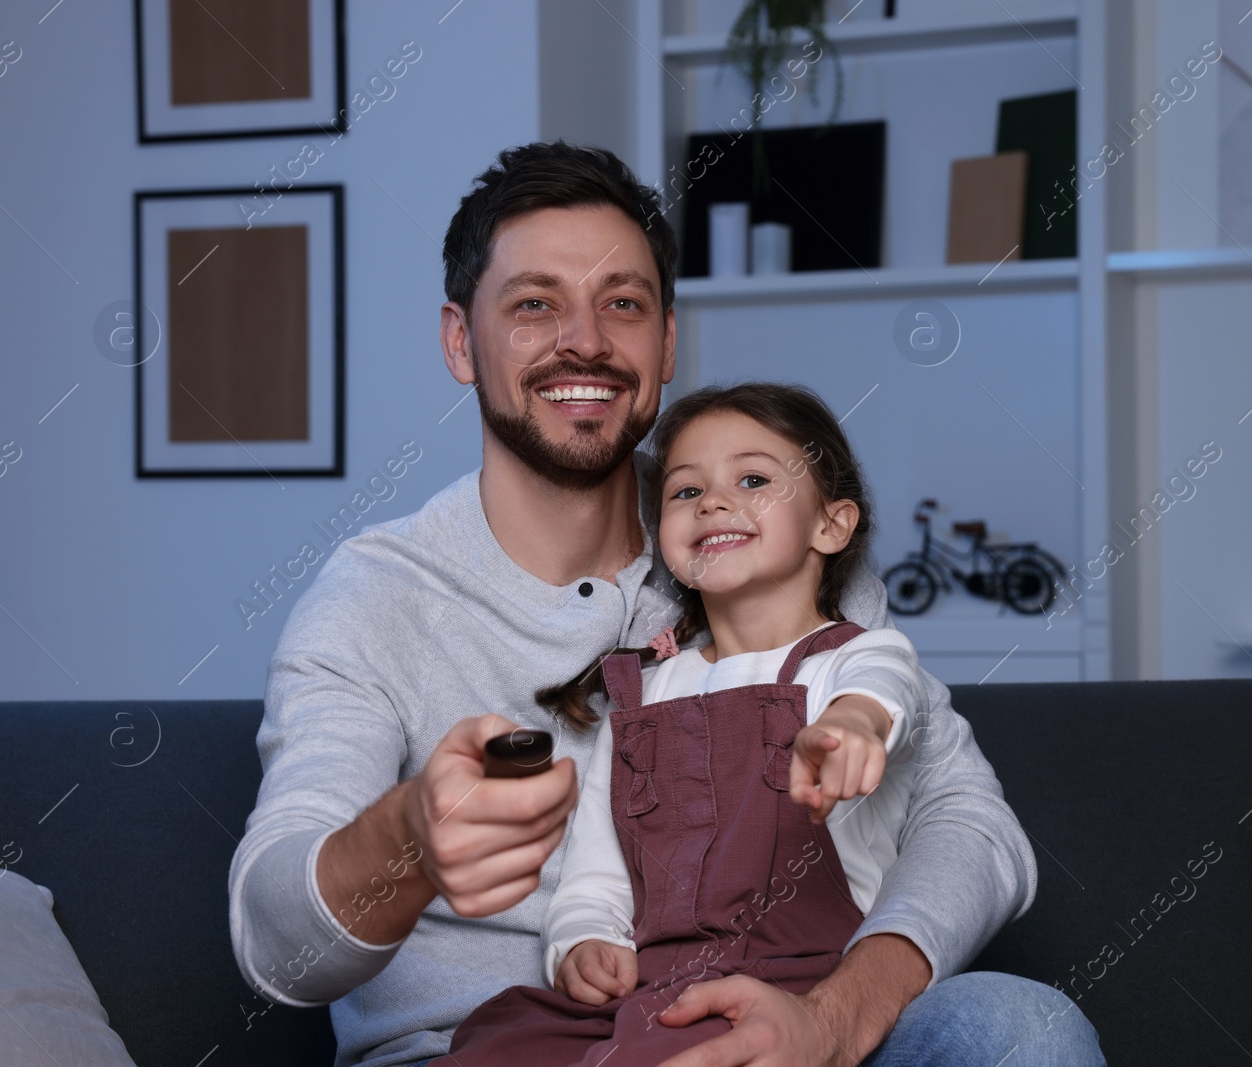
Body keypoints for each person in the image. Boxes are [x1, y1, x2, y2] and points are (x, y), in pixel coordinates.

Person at [228, 140, 1106, 1067]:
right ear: (459, 340)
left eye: (623, 304)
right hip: (484, 1047)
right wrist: (404, 839)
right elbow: (276, 945)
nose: (586, 340)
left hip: (780, 1024)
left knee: (1023, 1030)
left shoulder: (764, 541)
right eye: (534, 305)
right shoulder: (376, 599)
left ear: (668, 342)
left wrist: (836, 1019)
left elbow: (974, 827)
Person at [444, 383, 931, 1066]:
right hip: (656, 982)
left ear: (832, 524)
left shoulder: (854, 659)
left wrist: (855, 723)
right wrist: (585, 939)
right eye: (683, 491)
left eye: (754, 478)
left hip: (797, 979)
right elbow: (599, 868)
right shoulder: (643, 693)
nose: (713, 501)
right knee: (500, 1040)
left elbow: (885, 692)